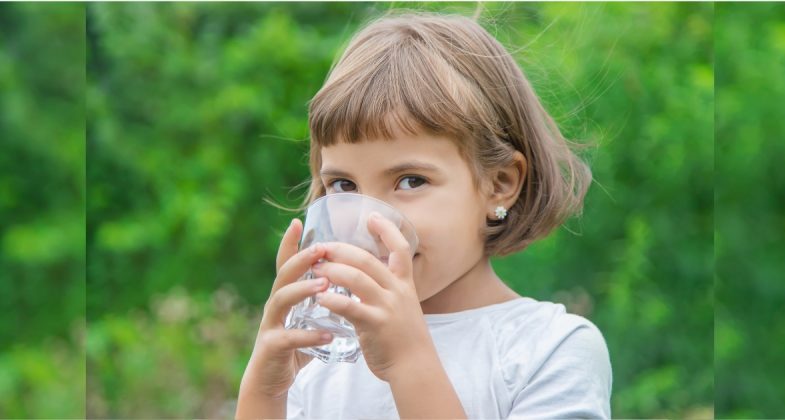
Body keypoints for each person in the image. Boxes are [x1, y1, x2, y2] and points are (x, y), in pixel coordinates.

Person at [236, 10, 611, 419]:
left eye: (410, 181)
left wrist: (408, 361)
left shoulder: (549, 349)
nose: (366, 223)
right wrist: (266, 391)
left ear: (499, 184)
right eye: (344, 186)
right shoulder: (324, 354)